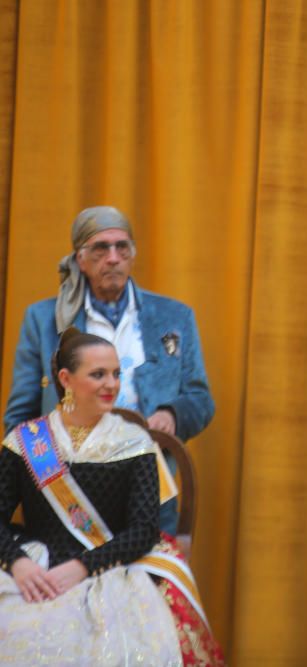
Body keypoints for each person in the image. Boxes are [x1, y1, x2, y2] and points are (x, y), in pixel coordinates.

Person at [0, 328, 223, 664]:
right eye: (98, 374)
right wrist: (18, 563)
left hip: (115, 568)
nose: (112, 384)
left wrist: (81, 567)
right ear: (66, 379)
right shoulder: (26, 441)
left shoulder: (135, 444)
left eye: (117, 374)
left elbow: (143, 530)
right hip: (36, 566)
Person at [4, 205, 214, 535]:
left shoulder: (174, 317)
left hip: (149, 491)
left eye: (122, 247)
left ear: (132, 254)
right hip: (66, 496)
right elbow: (19, 419)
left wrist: (172, 414)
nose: (113, 257)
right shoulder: (44, 321)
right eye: (101, 248)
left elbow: (200, 399)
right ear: (80, 259)